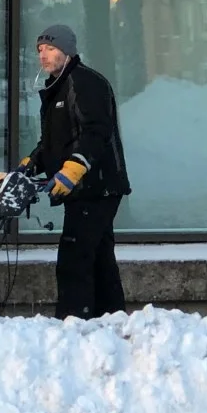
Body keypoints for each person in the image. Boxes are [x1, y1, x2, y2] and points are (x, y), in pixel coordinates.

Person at [16, 24, 131, 320]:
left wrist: (73, 170)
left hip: (97, 186)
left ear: (67, 51)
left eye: (51, 49)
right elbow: (54, 142)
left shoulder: (84, 83)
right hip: (83, 190)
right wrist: (31, 164)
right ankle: (110, 318)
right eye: (40, 49)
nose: (43, 55)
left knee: (74, 258)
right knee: (98, 258)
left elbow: (95, 131)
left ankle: (73, 321)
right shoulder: (58, 87)